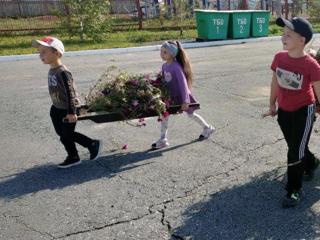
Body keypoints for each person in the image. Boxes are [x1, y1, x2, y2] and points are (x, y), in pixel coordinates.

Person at [267, 17, 320, 208]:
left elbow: (319, 91)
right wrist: (272, 104)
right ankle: (312, 162)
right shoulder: (279, 58)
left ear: (302, 40)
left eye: (289, 34)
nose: (283, 37)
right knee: (296, 145)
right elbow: (275, 82)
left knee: (294, 150)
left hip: (304, 111)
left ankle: (293, 190)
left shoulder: (311, 65)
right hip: (284, 111)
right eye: (283, 34)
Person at [32, 36, 102, 168]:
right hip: (57, 108)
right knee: (62, 135)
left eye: (44, 52)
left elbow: (71, 93)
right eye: (39, 52)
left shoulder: (63, 72)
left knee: (66, 135)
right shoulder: (52, 70)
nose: (40, 55)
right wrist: (54, 108)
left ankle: (89, 145)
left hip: (67, 109)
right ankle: (75, 156)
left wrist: (71, 112)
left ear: (56, 53)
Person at [152, 41, 214, 149]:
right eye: (161, 51)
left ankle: (207, 128)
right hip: (171, 97)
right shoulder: (164, 66)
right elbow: (164, 81)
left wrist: (186, 101)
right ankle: (163, 139)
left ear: (172, 54)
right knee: (164, 115)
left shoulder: (176, 67)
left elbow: (183, 84)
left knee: (190, 114)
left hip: (182, 96)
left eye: (165, 52)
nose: (162, 54)